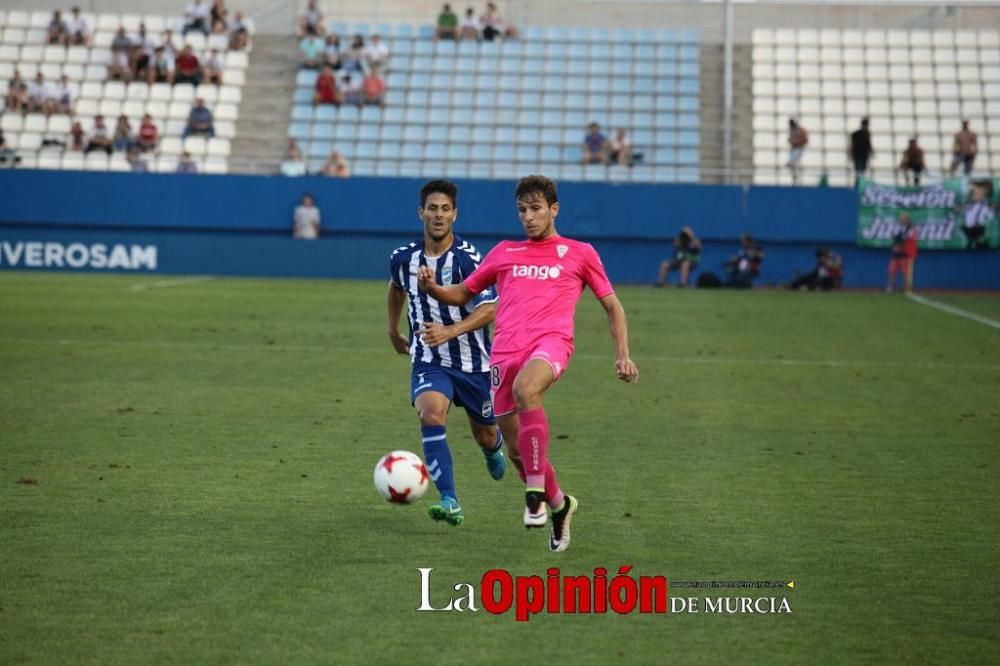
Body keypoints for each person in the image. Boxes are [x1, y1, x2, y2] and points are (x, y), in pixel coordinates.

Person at [417, 175, 639, 552]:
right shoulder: (505, 252)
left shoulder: (579, 252)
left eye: (536, 209)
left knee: (527, 389)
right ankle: (560, 504)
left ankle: (534, 494)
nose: (529, 217)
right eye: (522, 210)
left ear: (554, 209)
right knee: (518, 450)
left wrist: (623, 354)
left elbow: (612, 305)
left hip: (549, 344)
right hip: (504, 354)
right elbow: (464, 293)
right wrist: (434, 289)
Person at [388, 180, 506, 526]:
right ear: (420, 212)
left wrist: (450, 331)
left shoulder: (468, 260)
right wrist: (392, 329)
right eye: (432, 208)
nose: (438, 215)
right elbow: (396, 289)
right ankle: (450, 499)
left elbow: (491, 309)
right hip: (428, 358)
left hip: (473, 364)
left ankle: (492, 446)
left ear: (455, 214)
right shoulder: (402, 259)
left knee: (484, 432)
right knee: (431, 414)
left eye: (445, 209)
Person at [886, 212, 917, 293]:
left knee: (905, 271)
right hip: (896, 252)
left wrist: (901, 246)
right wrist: (894, 246)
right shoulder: (897, 227)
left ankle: (905, 287)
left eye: (904, 219)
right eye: (901, 219)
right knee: (892, 270)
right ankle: (890, 286)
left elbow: (908, 240)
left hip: (904, 253)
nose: (902, 220)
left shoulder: (910, 229)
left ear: (907, 220)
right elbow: (894, 238)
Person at [962, 180, 994, 250]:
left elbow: (990, 216)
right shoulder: (969, 204)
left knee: (976, 241)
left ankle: (978, 243)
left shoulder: (984, 205)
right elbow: (965, 213)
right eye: (975, 192)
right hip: (968, 227)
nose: (977, 194)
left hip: (978, 228)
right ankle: (976, 242)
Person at [850, 117, 873, 185]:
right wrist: (850, 154)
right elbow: (852, 145)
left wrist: (871, 152)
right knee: (858, 170)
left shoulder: (867, 133)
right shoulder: (856, 134)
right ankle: (857, 184)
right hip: (858, 154)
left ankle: (860, 183)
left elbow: (869, 144)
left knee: (862, 171)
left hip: (863, 155)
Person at [787, 118, 808, 185]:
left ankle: (797, 180)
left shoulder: (801, 130)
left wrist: (798, 142)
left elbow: (805, 140)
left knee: (791, 163)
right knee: (792, 165)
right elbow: (790, 140)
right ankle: (795, 179)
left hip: (799, 149)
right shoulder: (792, 130)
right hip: (793, 149)